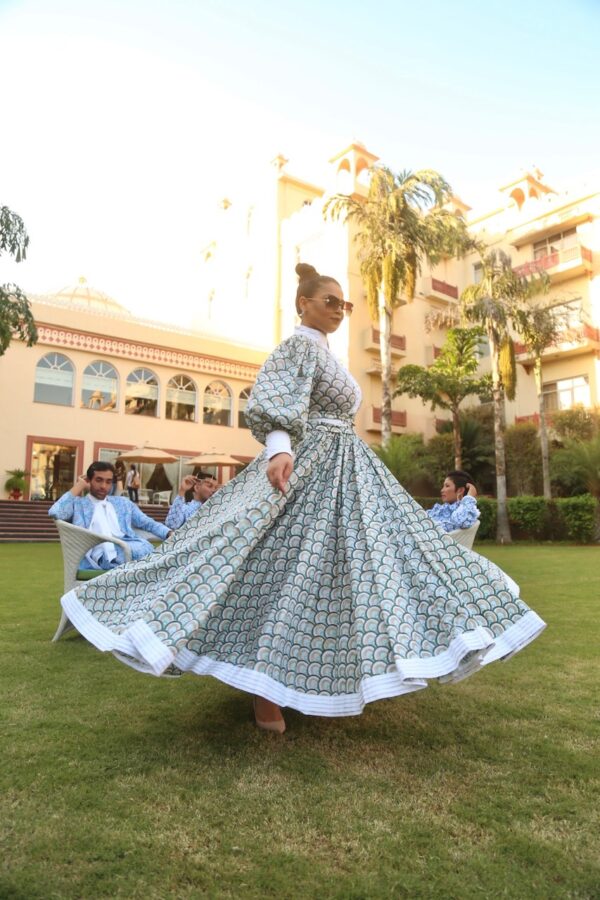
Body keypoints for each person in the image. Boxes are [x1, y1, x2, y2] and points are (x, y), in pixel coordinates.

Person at [60, 263, 545, 736]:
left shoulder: (328, 357)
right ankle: (264, 688)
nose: (339, 309)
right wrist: (279, 450)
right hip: (309, 462)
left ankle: (311, 673)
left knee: (346, 568)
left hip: (347, 466)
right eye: (329, 301)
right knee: (284, 563)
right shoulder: (296, 347)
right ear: (303, 303)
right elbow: (275, 399)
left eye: (345, 303)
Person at [49, 461, 171, 570]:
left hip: (129, 550)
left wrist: (168, 533)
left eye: (108, 482)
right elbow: (56, 512)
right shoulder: (78, 505)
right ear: (89, 480)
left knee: (157, 559)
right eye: (98, 480)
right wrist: (79, 485)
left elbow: (147, 523)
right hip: (99, 557)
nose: (103, 486)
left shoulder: (123, 503)